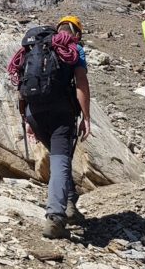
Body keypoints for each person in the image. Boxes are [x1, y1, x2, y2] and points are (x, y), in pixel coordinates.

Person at [8, 15, 91, 239]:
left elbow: (22, 81)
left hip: (34, 112)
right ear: (77, 32)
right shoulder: (72, 48)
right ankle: (55, 217)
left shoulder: (34, 47)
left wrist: (27, 118)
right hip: (61, 113)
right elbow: (81, 82)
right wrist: (86, 116)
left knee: (58, 160)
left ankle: (70, 204)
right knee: (60, 162)